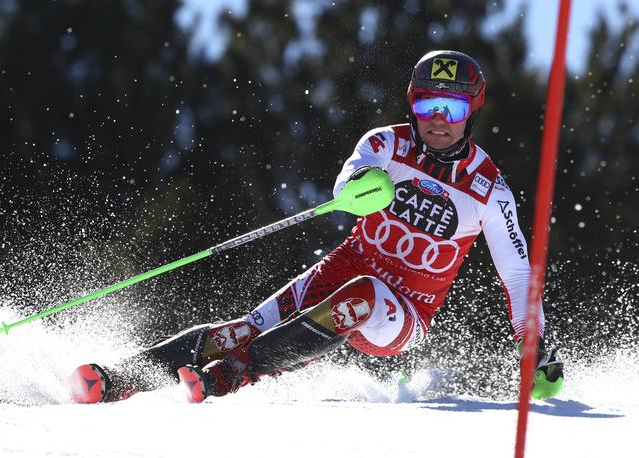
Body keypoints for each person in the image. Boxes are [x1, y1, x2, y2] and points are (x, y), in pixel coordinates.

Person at [67, 50, 563, 404]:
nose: (437, 119)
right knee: (244, 327)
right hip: (343, 267)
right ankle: (122, 377)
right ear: (411, 105)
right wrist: (358, 185)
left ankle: (237, 374)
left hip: (404, 312)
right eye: (426, 104)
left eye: (451, 107)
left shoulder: (487, 189)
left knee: (364, 291)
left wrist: (533, 342)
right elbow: (348, 175)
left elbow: (517, 274)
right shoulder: (387, 145)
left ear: (470, 112)